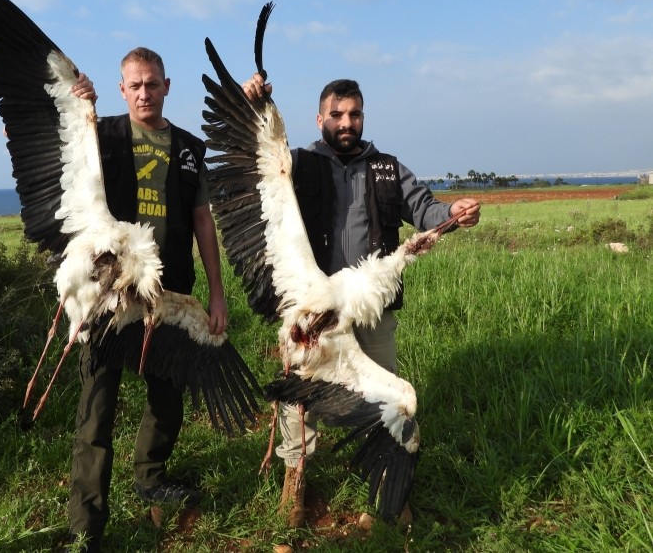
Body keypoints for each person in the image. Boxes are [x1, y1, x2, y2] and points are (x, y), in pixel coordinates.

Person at [242, 74, 480, 527]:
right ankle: (295, 478)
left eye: (354, 114)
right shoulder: (299, 164)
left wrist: (451, 213)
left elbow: (425, 209)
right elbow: (257, 164)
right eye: (337, 114)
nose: (346, 122)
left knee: (392, 402)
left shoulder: (388, 169)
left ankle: (389, 487)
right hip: (312, 310)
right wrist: (254, 105)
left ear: (363, 117)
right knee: (299, 399)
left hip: (372, 312)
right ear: (320, 119)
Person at [67, 47, 228, 551]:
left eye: (152, 84)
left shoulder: (188, 148)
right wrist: (73, 106)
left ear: (166, 86)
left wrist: (216, 292)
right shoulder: (100, 134)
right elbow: (27, 139)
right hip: (108, 296)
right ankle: (86, 526)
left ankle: (151, 477)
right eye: (135, 85)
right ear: (122, 89)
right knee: (97, 408)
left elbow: (202, 220)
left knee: (168, 395)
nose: (144, 93)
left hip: (168, 292)